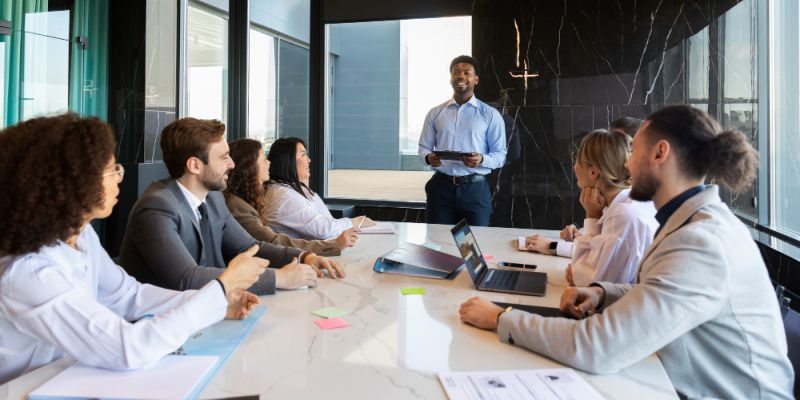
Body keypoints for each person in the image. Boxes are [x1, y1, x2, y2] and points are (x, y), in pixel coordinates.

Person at [459, 105, 793, 399]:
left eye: (633, 150)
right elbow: (662, 290)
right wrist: (604, 293)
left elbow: (597, 348)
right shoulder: (693, 220)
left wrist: (503, 318)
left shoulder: (700, 241)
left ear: (660, 153)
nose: (626, 163)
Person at [0, 114, 265, 384]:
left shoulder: (80, 235)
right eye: (112, 169)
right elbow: (127, 348)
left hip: (68, 377)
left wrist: (217, 303)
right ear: (72, 183)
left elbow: (128, 295)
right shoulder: (28, 272)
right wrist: (221, 287)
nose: (119, 177)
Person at [119, 118, 344, 295]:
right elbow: (187, 278)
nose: (232, 164)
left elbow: (250, 246)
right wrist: (280, 279)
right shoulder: (156, 208)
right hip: (162, 330)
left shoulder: (214, 198)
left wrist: (304, 256)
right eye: (224, 157)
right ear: (195, 165)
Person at [523, 129, 657, 286]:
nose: (574, 167)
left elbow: (588, 282)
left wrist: (591, 217)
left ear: (593, 172)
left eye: (576, 159)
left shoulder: (623, 214)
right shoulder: (625, 202)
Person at [225, 138, 358, 256]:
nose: (269, 163)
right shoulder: (280, 196)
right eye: (264, 159)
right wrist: (335, 244)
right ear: (250, 167)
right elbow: (273, 241)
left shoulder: (279, 191)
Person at [418, 55, 507, 226]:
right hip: (441, 188)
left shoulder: (490, 115)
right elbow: (423, 148)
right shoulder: (435, 113)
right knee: (439, 243)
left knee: (475, 247)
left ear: (476, 79)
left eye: (467, 72)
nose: (461, 76)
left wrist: (481, 159)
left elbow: (500, 155)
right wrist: (429, 158)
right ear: (451, 78)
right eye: (456, 72)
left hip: (475, 190)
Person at [263, 137, 375, 240]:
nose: (309, 160)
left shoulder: (293, 189)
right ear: (288, 161)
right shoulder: (285, 197)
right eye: (303, 155)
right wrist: (354, 222)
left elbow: (328, 222)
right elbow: (323, 230)